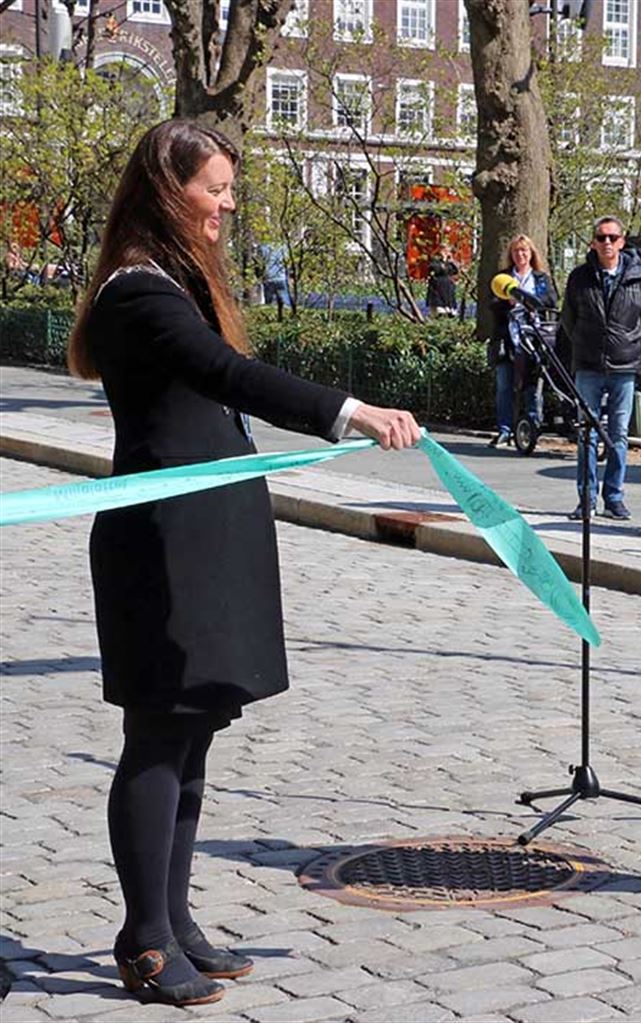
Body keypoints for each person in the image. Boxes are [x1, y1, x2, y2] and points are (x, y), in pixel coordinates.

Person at [65, 119, 421, 1007]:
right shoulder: (136, 291)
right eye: (214, 187)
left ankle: (173, 916)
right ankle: (144, 939)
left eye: (230, 188)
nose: (227, 203)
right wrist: (353, 410)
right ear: (166, 188)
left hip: (206, 536)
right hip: (164, 544)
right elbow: (227, 374)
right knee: (158, 733)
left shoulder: (174, 280)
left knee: (193, 734)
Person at [560, 215, 641, 521]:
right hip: (588, 365)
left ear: (622, 241)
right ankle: (586, 499)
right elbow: (568, 319)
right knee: (586, 435)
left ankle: (614, 497)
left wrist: (629, 346)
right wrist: (582, 343)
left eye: (612, 238)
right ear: (593, 241)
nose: (607, 243)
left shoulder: (640, 277)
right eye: (601, 238)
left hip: (624, 365)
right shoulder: (580, 277)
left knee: (618, 434)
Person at [488, 234, 556, 448]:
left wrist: (529, 300)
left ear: (531, 254)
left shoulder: (541, 279)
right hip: (509, 339)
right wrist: (506, 302)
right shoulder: (503, 277)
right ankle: (505, 430)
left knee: (532, 385)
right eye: (517, 251)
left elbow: (552, 300)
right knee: (504, 385)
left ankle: (531, 427)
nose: (521, 255)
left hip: (534, 339)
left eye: (524, 251)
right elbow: (491, 304)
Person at [426, 244, 459, 317]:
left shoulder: (450, 263)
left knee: (449, 310)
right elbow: (436, 270)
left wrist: (451, 261)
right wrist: (443, 262)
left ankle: (450, 311)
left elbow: (455, 271)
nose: (446, 252)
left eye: (447, 251)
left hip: (448, 287)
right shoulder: (435, 261)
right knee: (439, 309)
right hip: (438, 285)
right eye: (445, 251)